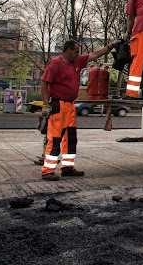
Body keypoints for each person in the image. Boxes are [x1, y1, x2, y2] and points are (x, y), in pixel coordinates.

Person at [40, 39, 115, 181]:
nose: (77, 54)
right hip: (58, 104)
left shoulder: (77, 62)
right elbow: (44, 83)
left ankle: (68, 167)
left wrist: (111, 46)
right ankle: (47, 170)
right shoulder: (55, 64)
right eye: (76, 51)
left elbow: (95, 55)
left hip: (69, 105)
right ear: (67, 50)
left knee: (71, 138)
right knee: (55, 138)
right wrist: (46, 104)